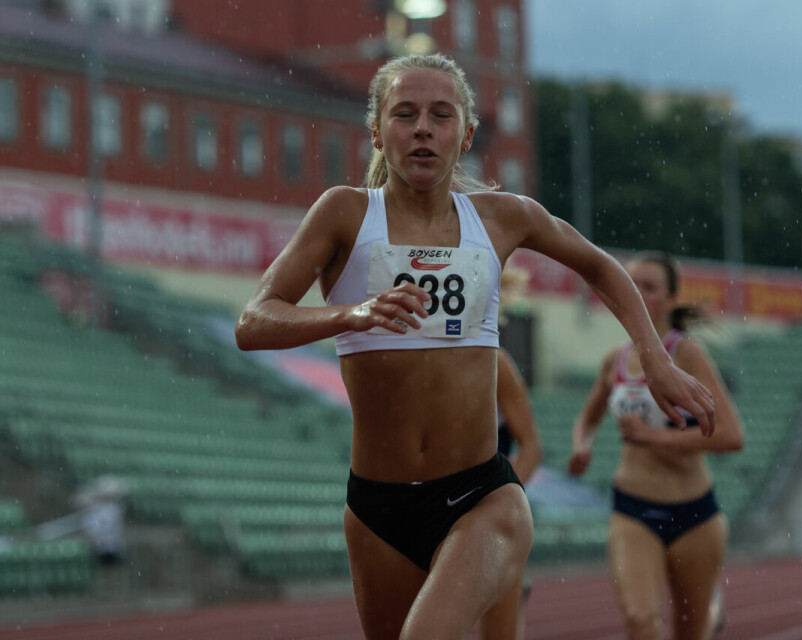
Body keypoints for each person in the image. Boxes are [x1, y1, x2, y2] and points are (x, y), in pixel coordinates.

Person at [235, 53, 715, 640]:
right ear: (377, 131)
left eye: (441, 116)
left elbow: (599, 265)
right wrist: (351, 313)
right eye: (405, 114)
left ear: (465, 136)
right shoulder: (344, 212)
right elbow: (254, 321)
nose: (422, 129)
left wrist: (656, 359)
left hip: (479, 496)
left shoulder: (502, 218)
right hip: (377, 506)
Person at [567, 252, 741, 640]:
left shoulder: (688, 354)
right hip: (633, 509)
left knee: (689, 630)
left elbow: (731, 436)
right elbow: (587, 418)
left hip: (694, 513)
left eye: (650, 287)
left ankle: (710, 615)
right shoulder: (614, 360)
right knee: (640, 619)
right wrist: (582, 446)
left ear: (672, 299)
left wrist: (655, 437)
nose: (638, 294)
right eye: (632, 285)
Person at [479, 347, 542, 640]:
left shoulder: (495, 361)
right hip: (425, 509)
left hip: (486, 515)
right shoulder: (414, 354)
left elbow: (531, 447)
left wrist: (501, 502)